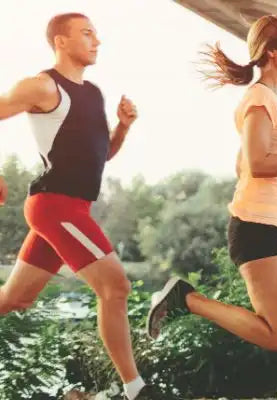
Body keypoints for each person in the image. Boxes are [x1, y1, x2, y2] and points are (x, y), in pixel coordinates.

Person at [144, 14, 277, 400]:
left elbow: (243, 164)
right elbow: (256, 164)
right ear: (272, 51)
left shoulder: (275, 99)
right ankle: (186, 299)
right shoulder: (258, 99)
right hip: (255, 227)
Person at [0, 12, 172, 399]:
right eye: (87, 33)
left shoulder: (93, 93)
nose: (97, 41)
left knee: (14, 299)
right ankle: (136, 390)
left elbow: (102, 155)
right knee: (116, 287)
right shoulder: (42, 86)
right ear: (60, 42)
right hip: (55, 207)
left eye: (96, 34)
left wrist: (123, 126)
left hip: (74, 209)